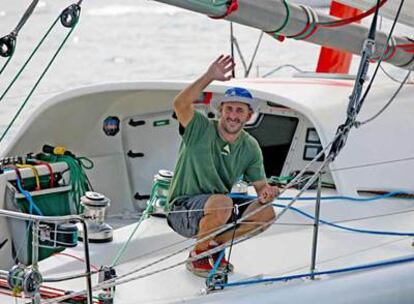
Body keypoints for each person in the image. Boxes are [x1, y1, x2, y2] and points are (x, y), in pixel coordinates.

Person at [167, 55, 278, 277]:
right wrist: (210, 76)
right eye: (229, 109)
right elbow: (180, 104)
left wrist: (268, 193)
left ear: (249, 116)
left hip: (218, 208)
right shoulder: (200, 128)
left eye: (240, 111)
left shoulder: (250, 146)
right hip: (182, 209)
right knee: (222, 202)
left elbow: (261, 189)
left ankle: (214, 246)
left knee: (267, 214)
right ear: (221, 111)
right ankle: (197, 257)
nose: (233, 116)